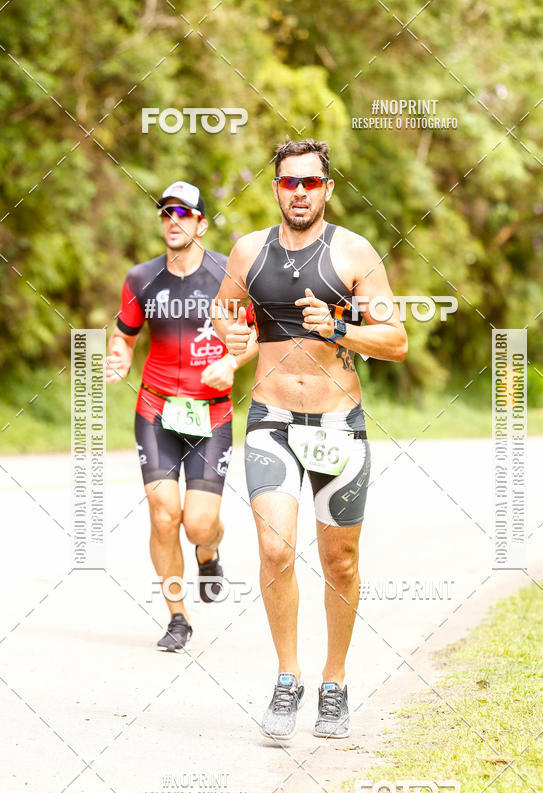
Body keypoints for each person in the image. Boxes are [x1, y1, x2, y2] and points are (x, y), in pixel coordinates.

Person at [211, 140, 407, 740]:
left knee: (339, 562)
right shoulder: (248, 250)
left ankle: (335, 681)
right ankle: (287, 676)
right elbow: (225, 311)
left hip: (336, 425)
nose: (300, 192)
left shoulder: (354, 252)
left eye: (311, 183)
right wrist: (234, 339)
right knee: (274, 552)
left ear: (328, 189)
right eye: (289, 182)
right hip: (271, 419)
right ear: (275, 187)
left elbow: (396, 339)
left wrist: (342, 327)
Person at [106, 180, 257, 651]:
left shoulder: (226, 277)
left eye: (184, 214)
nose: (174, 221)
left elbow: (253, 338)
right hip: (156, 409)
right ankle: (177, 616)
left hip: (210, 416)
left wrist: (230, 363)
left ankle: (208, 553)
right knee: (163, 513)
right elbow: (125, 335)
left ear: (201, 223)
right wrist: (118, 355)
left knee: (197, 524)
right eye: (167, 213)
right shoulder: (140, 279)